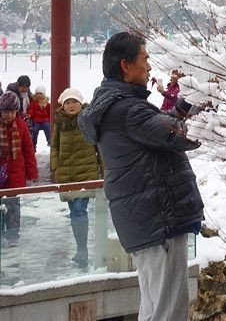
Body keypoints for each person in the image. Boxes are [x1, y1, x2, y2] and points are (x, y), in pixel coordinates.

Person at [79, 32, 203, 321]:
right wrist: (217, 115)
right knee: (168, 312)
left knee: (154, 308)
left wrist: (185, 106)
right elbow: (176, 134)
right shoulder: (127, 109)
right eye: (145, 59)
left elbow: (160, 126)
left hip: (144, 221)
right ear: (126, 65)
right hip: (160, 220)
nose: (149, 66)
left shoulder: (115, 106)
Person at [52, 87, 102, 267]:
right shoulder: (59, 123)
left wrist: (104, 172)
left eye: (74, 102)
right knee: (74, 211)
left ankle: (82, 250)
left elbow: (99, 147)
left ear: (81, 104)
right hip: (66, 174)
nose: (71, 105)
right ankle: (81, 246)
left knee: (80, 209)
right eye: (68, 102)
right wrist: (56, 167)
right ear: (63, 105)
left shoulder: (88, 121)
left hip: (86, 173)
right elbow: (55, 146)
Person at [0, 91, 37, 246]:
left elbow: (28, 150)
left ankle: (12, 235)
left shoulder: (21, 126)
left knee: (13, 207)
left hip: (16, 171)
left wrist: (32, 173)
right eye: (5, 112)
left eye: (11, 112)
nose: (8, 115)